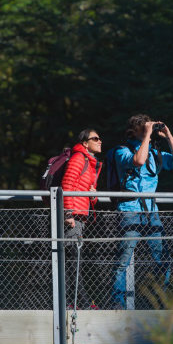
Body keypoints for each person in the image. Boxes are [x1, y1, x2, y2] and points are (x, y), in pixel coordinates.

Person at [111, 114, 173, 309]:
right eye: (143, 129)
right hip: (130, 210)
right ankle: (118, 305)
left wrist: (169, 136)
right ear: (132, 132)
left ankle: (163, 302)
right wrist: (147, 135)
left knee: (163, 259)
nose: (148, 132)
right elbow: (138, 161)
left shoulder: (154, 153)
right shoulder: (122, 151)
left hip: (152, 213)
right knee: (123, 261)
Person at [62, 128, 103, 309]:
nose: (100, 141)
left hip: (80, 217)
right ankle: (79, 303)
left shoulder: (90, 162)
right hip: (73, 217)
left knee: (74, 260)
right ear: (85, 143)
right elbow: (67, 184)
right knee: (73, 260)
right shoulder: (79, 158)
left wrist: (93, 195)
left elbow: (87, 194)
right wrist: (68, 214)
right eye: (95, 138)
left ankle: (77, 302)